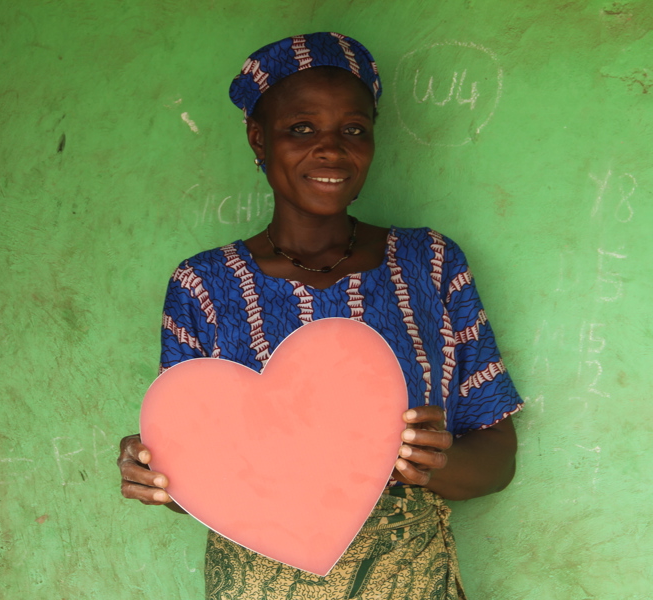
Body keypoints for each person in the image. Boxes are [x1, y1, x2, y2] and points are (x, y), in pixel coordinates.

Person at [118, 32, 522, 600]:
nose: (331, 150)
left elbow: (497, 457)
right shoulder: (204, 287)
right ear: (259, 138)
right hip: (257, 584)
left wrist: (434, 464)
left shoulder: (430, 264)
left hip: (407, 582)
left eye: (353, 129)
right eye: (301, 129)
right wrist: (156, 474)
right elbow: (201, 483)